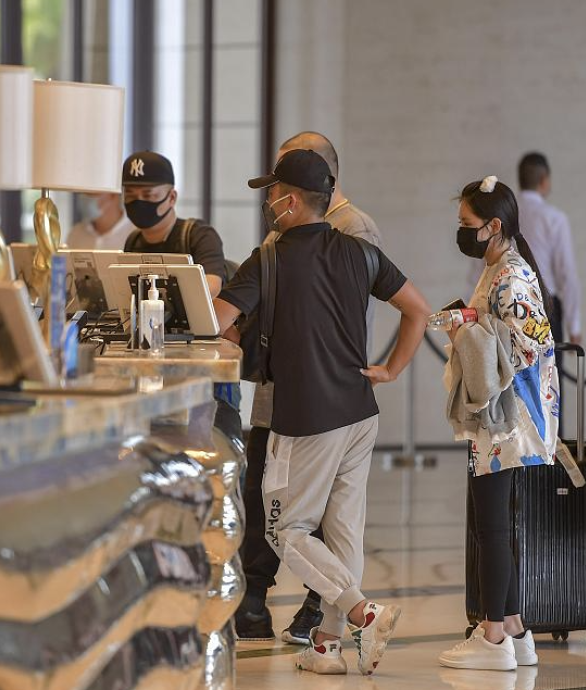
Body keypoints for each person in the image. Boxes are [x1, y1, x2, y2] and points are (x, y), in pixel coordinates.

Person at [213, 149, 433, 676]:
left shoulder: (269, 258)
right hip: (359, 411)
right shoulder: (360, 253)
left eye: (272, 192)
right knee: (342, 533)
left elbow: (216, 320)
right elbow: (418, 309)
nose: (268, 201)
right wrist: (391, 369)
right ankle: (327, 647)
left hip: (305, 417)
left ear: (290, 201)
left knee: (285, 530)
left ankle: (363, 613)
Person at [235, 131, 382, 646]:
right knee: (268, 501)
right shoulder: (281, 235)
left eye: (281, 181)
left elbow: (343, 315)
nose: (273, 194)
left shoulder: (353, 229)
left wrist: (387, 367)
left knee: (303, 522)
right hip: (284, 393)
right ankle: (320, 629)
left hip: (323, 398)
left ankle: (337, 608)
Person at [436, 176, 558, 672]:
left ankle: (491, 638)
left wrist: (468, 327)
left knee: (490, 526)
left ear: (493, 226)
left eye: (467, 223)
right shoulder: (500, 269)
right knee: (496, 524)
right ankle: (513, 627)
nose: (462, 231)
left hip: (506, 418)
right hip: (504, 416)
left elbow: (529, 345)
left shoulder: (510, 276)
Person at [121, 151, 227, 298]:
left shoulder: (199, 235)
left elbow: (212, 287)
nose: (138, 202)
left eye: (148, 195)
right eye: (130, 196)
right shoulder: (134, 240)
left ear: (171, 197)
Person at [515, 153, 581, 346]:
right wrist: (574, 326)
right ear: (544, 180)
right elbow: (566, 274)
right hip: (545, 306)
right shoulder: (554, 218)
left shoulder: (505, 215)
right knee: (547, 364)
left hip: (509, 305)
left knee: (511, 364)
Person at [65, 191, 135, 251]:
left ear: (113, 195)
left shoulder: (135, 234)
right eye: (84, 193)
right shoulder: (76, 233)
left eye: (91, 193)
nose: (85, 197)